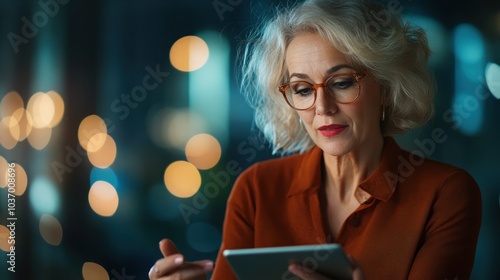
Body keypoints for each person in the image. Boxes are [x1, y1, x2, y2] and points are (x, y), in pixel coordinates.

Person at [149, 0, 482, 279]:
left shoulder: (446, 193)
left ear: (386, 87)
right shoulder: (256, 188)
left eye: (341, 83)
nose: (322, 107)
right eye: (303, 90)